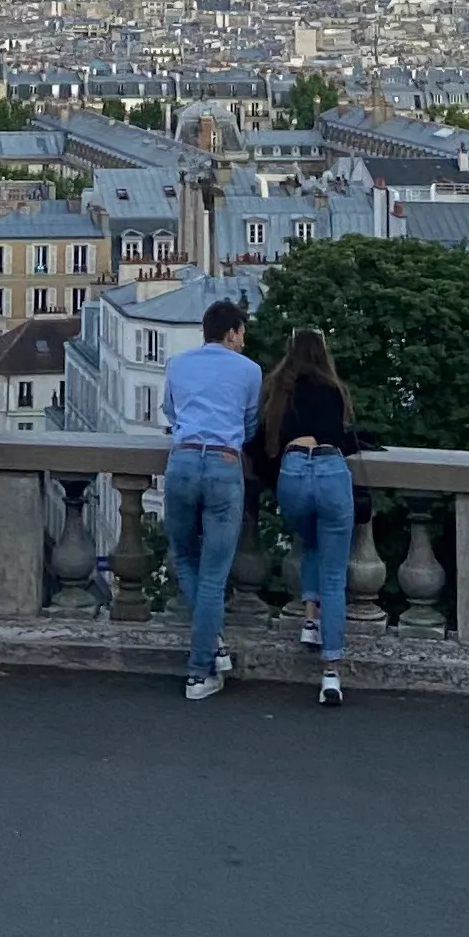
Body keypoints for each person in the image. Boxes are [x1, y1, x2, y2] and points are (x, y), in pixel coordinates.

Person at [165, 296, 262, 699]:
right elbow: (250, 423)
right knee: (214, 575)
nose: (244, 341)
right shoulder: (250, 370)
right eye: (242, 334)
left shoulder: (177, 364)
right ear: (231, 332)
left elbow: (171, 414)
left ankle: (214, 643)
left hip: (183, 462)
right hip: (224, 465)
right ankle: (199, 670)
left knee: (185, 557)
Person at [256, 325, 358, 708]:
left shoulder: (278, 389)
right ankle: (330, 674)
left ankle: (310, 618)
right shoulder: (333, 389)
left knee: (312, 539)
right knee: (335, 576)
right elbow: (342, 437)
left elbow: (264, 442)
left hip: (294, 474)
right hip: (330, 471)